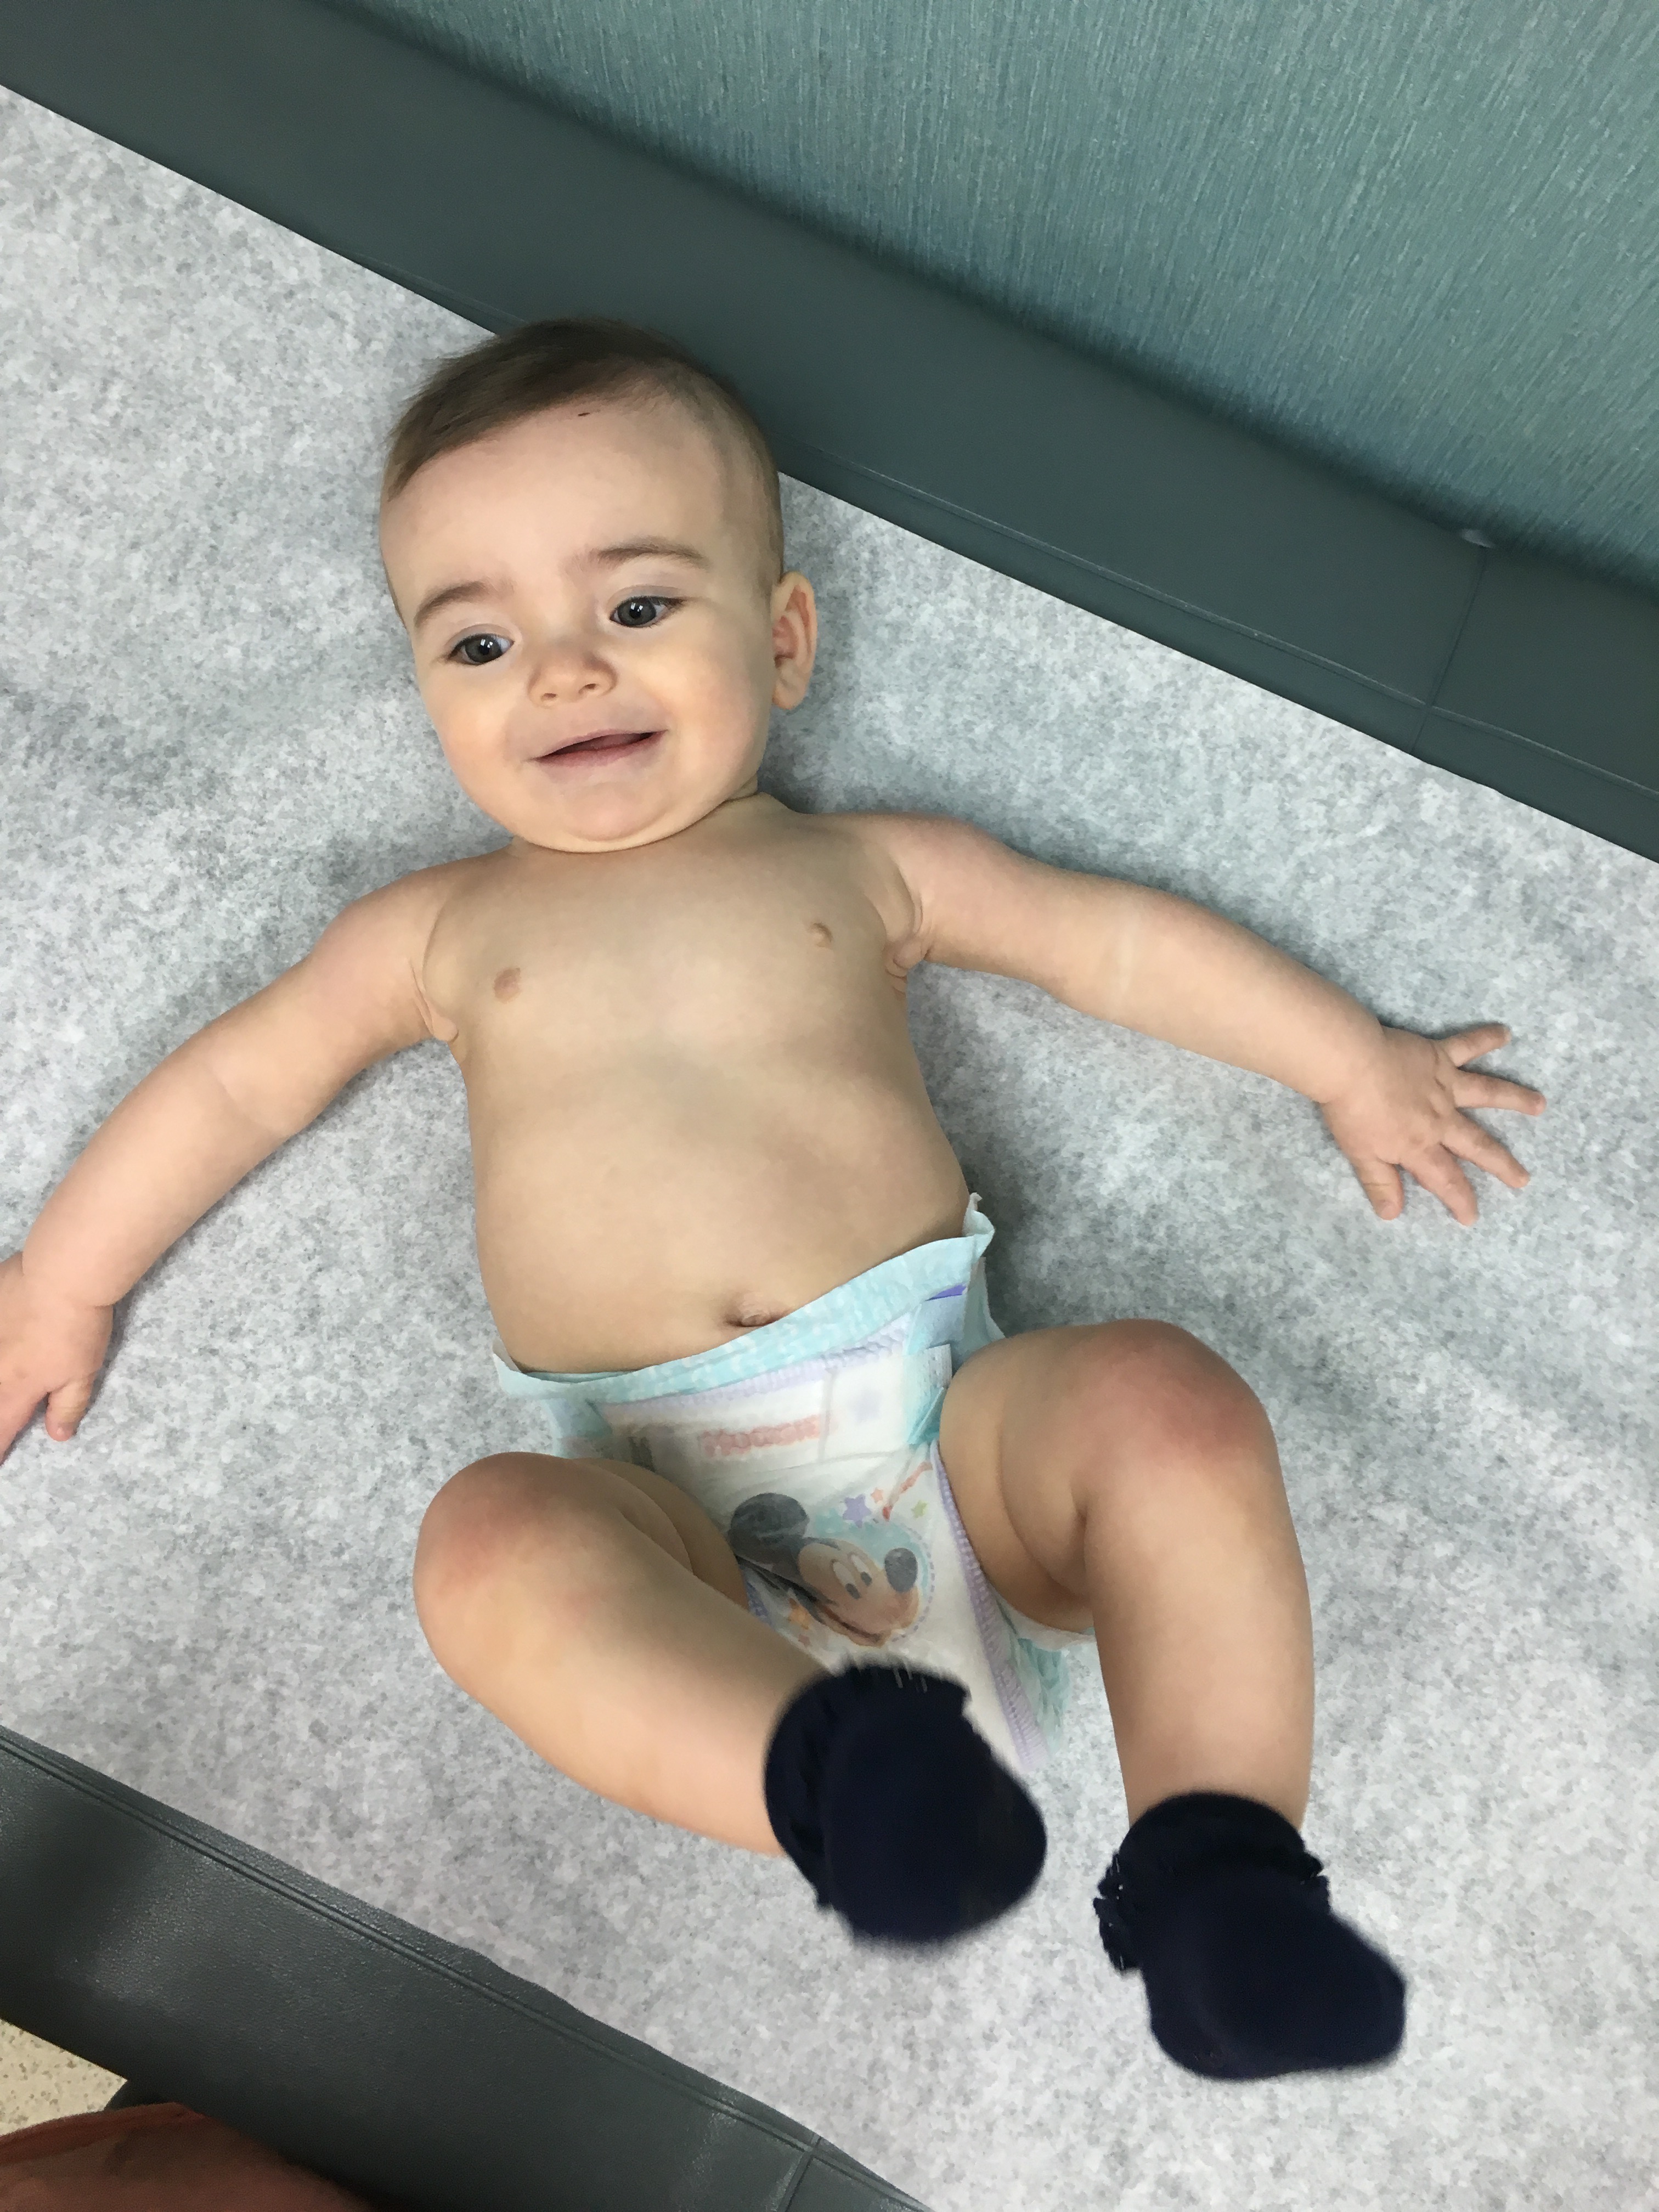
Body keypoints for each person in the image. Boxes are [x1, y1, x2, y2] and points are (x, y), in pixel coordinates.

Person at [0, 319, 1547, 2081]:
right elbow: (238, 1083)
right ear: (426, 694)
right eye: (481, 641)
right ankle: (834, 1781)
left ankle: (1222, 1874)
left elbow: (1106, 942)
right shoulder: (434, 932)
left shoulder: (857, 867)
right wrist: (63, 1279)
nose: (563, 673)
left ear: (786, 638)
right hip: (669, 1531)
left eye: (638, 604)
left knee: (1162, 1401)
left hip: (958, 1446)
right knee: (488, 1548)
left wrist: (1347, 1059)